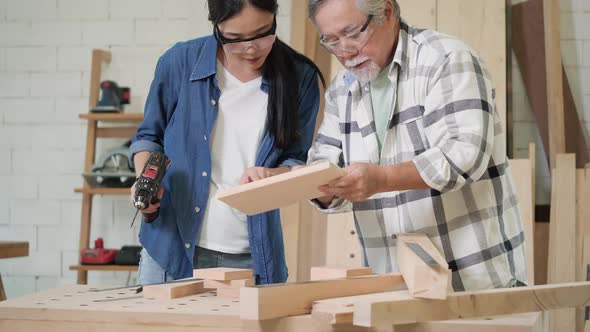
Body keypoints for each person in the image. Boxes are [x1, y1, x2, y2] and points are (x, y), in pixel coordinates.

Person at [305, 0, 527, 291]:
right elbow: (325, 163)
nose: (345, 51)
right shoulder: (342, 91)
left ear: (386, 12)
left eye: (353, 33)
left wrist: (381, 179)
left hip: (472, 279)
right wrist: (298, 181)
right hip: (391, 284)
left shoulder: (446, 59)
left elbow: (464, 156)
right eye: (332, 40)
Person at [129, 0, 324, 285]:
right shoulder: (179, 63)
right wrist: (146, 182)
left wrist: (272, 176)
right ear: (217, 28)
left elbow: (296, 159)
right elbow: (149, 136)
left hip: (253, 255)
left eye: (262, 33)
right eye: (234, 39)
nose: (251, 49)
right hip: (172, 248)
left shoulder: (300, 77)